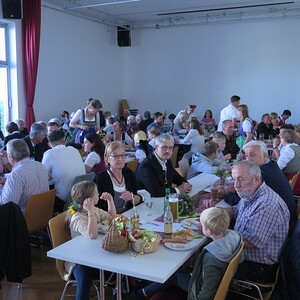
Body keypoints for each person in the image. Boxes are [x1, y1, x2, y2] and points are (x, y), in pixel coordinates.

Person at [123, 207, 243, 300]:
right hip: (207, 279)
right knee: (178, 271)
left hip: (197, 291)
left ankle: (138, 295)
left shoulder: (211, 259)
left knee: (173, 275)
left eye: (202, 224)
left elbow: (206, 294)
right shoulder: (234, 237)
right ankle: (144, 286)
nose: (199, 226)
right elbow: (240, 258)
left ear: (209, 231)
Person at [226, 161, 289, 283]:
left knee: (208, 264)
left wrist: (213, 228)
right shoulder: (251, 192)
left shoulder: (267, 204)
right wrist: (213, 212)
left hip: (258, 268)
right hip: (245, 256)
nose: (236, 185)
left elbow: (249, 242)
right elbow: (236, 210)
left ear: (255, 179)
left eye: (240, 179)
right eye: (234, 179)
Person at [65, 181, 116, 300]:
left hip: (94, 254)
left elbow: (113, 219)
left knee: (118, 270)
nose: (98, 195)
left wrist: (110, 201)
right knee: (84, 281)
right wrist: (90, 212)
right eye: (96, 194)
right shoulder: (78, 217)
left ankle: (119, 293)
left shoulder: (94, 209)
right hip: (79, 261)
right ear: (89, 199)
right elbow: (92, 235)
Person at [242, 140, 297, 232]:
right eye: (246, 155)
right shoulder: (271, 165)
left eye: (253, 155)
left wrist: (227, 194)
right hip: (288, 217)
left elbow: (246, 199)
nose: (248, 159)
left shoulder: (262, 173)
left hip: (282, 226)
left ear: (264, 156)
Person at [42, 130, 86, 212]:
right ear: (63, 140)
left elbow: (42, 176)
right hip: (81, 195)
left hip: (64, 200)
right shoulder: (74, 150)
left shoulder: (49, 154)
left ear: (49, 143)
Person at [0, 139, 49, 212]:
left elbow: (7, 205)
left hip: (23, 218)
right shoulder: (40, 165)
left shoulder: (16, 174)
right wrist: (7, 182)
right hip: (43, 213)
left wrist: (1, 188)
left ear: (11, 157)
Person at [95, 141, 141, 213]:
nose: (120, 159)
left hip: (128, 216)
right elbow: (96, 207)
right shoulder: (100, 178)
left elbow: (139, 198)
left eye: (123, 155)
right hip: (108, 219)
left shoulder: (129, 174)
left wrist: (132, 197)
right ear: (107, 159)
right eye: (115, 156)